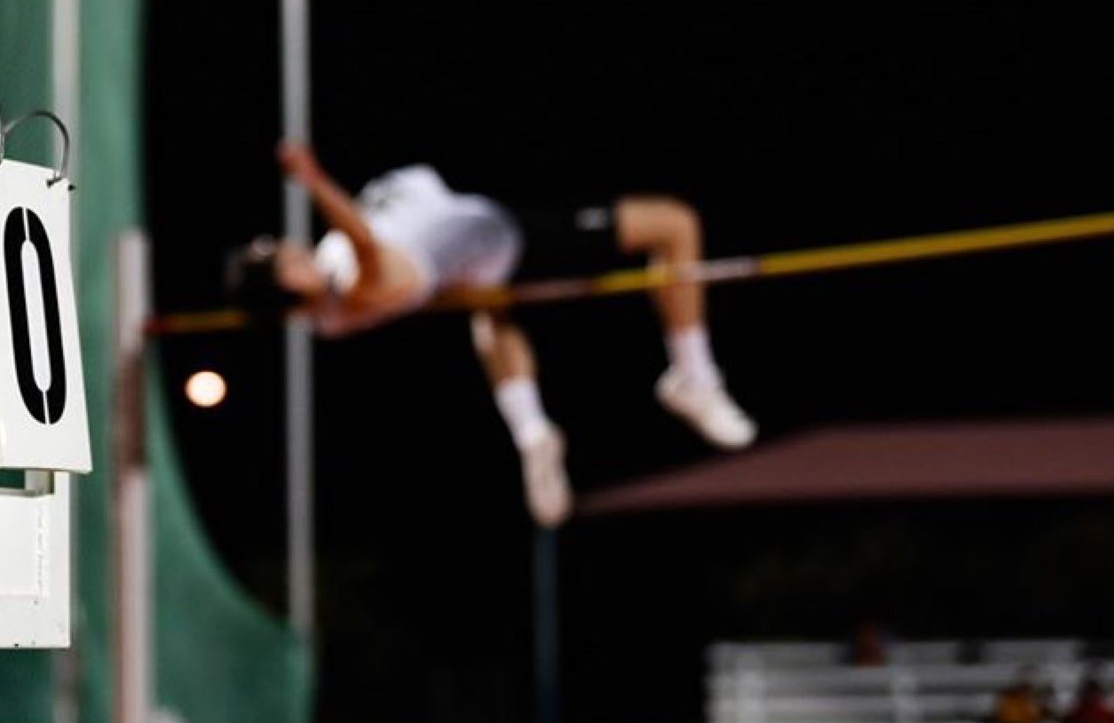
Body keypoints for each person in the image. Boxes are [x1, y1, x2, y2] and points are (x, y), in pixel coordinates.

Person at [226, 141, 757, 526]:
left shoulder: (331, 281)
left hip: (476, 248)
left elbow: (361, 235)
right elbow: (363, 240)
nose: (290, 250)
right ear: (286, 285)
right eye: (280, 260)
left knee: (488, 313)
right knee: (673, 225)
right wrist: (314, 179)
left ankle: (532, 434)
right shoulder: (353, 294)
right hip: (513, 242)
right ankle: (695, 375)